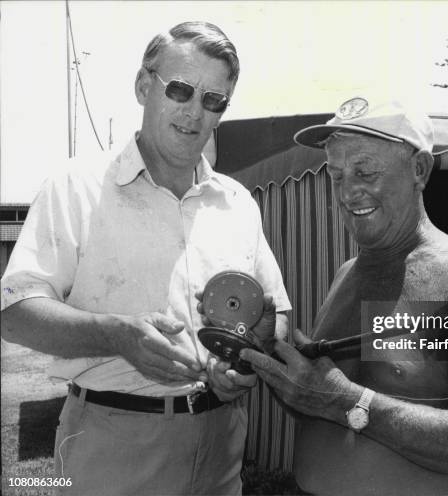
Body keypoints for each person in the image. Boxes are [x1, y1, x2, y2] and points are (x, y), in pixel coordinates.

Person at [0, 21, 290, 496]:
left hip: (222, 447)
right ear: (143, 86)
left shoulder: (237, 202)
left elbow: (274, 315)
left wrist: (242, 362)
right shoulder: (76, 188)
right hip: (110, 444)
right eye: (180, 90)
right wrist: (116, 335)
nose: (195, 112)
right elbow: (14, 313)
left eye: (213, 100)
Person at [240, 97, 448, 496]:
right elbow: (320, 405)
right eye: (337, 175)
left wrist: (346, 402)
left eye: (365, 170)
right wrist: (270, 355)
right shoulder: (347, 274)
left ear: (419, 169)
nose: (347, 192)